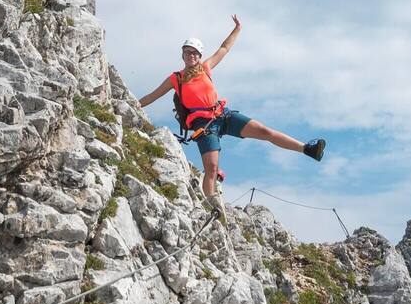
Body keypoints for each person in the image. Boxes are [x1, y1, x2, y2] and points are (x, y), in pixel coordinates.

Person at [137, 15, 325, 204]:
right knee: (211, 168)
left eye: (195, 52)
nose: (191, 55)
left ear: (200, 56)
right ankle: (212, 205)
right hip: (204, 125)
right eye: (187, 52)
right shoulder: (175, 78)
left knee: (265, 131)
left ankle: (307, 149)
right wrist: (133, 103)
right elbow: (153, 96)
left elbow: (224, 48)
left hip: (222, 115)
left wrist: (237, 28)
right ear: (183, 55)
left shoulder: (205, 68)